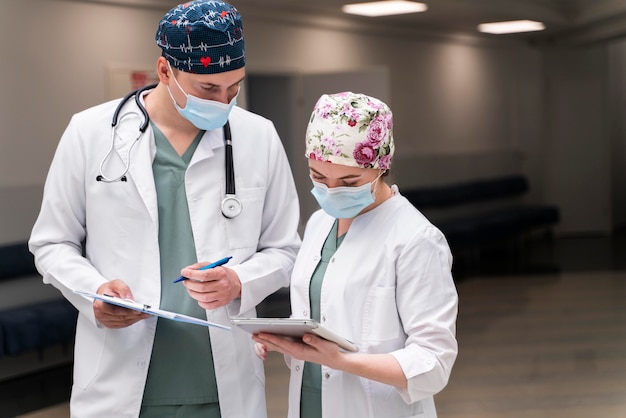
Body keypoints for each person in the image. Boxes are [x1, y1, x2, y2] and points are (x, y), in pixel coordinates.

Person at [28, 1, 301, 417]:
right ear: (164, 71)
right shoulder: (89, 133)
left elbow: (285, 249)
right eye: (208, 89)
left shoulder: (258, 136)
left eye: (234, 88)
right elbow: (52, 242)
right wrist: (95, 293)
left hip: (222, 378)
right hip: (119, 375)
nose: (224, 102)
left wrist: (239, 280)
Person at [252, 92, 458, 417]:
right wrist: (283, 339)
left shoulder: (416, 239)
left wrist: (341, 361)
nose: (332, 192)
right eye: (319, 177)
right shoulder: (320, 223)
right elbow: (323, 312)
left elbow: (433, 362)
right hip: (310, 403)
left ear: (380, 167)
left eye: (349, 181)